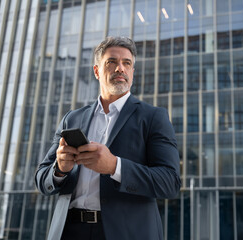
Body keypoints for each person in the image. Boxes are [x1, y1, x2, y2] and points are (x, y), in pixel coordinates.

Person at [35, 36, 181, 240]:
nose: (120, 68)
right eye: (111, 62)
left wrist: (115, 166)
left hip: (125, 233)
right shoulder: (72, 118)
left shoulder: (153, 117)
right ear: (96, 71)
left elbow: (170, 182)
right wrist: (60, 169)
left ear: (132, 72)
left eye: (126, 63)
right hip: (68, 231)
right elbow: (42, 179)